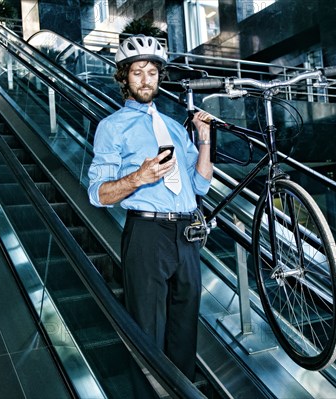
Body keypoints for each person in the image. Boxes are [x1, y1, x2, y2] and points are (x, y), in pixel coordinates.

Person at [87, 35, 214, 381]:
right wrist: (138, 177)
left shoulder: (173, 127)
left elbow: (201, 183)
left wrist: (203, 139)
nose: (146, 80)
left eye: (153, 73)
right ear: (125, 77)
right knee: (147, 335)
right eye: (138, 72)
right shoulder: (112, 127)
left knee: (184, 334)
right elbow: (97, 193)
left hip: (186, 235)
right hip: (146, 234)